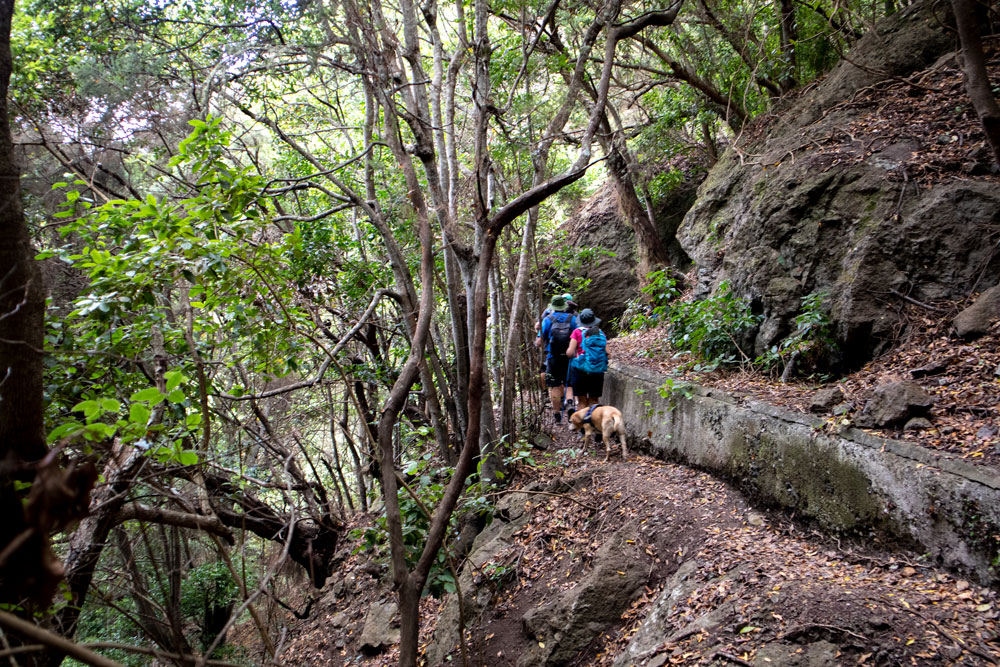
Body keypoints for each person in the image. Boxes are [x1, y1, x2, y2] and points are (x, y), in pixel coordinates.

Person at [539, 294, 577, 423]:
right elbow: (578, 336)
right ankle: (570, 403)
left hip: (552, 357)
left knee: (555, 386)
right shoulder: (572, 319)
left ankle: (557, 415)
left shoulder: (548, 319)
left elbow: (540, 339)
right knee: (569, 383)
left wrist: (536, 344)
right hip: (568, 356)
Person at [566, 309, 608, 412]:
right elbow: (608, 353)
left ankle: (583, 426)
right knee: (594, 401)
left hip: (580, 370)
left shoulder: (577, 332)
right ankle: (593, 423)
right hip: (597, 371)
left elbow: (570, 352)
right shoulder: (600, 333)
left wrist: (571, 354)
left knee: (581, 401)